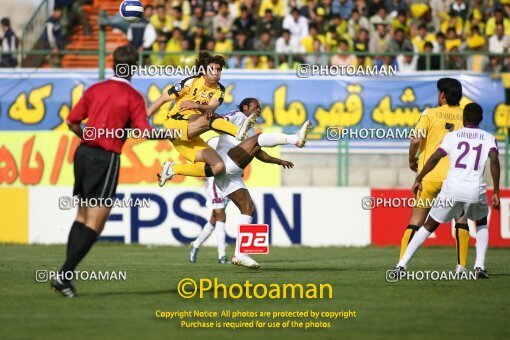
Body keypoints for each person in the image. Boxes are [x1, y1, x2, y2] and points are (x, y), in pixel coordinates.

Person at [51, 45, 153, 297]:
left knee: (82, 216)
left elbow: (72, 121)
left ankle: (66, 276)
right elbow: (144, 132)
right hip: (105, 158)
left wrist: (90, 134)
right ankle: (64, 276)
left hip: (82, 153)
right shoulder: (133, 97)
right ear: (135, 68)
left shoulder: (94, 89)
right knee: (96, 223)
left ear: (112, 64)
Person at [195, 98, 312, 268]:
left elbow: (259, 154)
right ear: (245, 107)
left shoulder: (250, 132)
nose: (259, 111)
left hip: (229, 176)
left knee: (248, 209)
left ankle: (239, 255)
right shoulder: (237, 116)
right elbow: (217, 121)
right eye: (256, 107)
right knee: (258, 139)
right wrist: (210, 113)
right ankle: (296, 139)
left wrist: (279, 161)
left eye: (260, 108)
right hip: (225, 162)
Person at [394, 103, 500, 279]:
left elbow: (435, 158)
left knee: (429, 225)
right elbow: (494, 160)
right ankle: (478, 266)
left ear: (463, 118)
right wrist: (496, 190)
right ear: (481, 119)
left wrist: (419, 178)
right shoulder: (489, 138)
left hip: (452, 188)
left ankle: (401, 265)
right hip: (475, 189)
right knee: (481, 222)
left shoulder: (453, 137)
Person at [147, 51, 258, 184]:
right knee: (209, 118)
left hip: (189, 136)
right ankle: (237, 132)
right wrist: (145, 116)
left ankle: (172, 169)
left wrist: (195, 105)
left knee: (218, 167)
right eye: (212, 69)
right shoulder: (191, 82)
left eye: (219, 70)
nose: (216, 72)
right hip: (175, 124)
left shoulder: (220, 90)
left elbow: (211, 107)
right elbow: (163, 98)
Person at [398, 78, 471, 273]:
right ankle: (461, 267)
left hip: (429, 176)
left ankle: (401, 266)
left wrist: (412, 161)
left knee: (415, 221)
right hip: (456, 177)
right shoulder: (466, 116)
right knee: (461, 220)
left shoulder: (429, 114)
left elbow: (415, 141)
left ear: (442, 95)